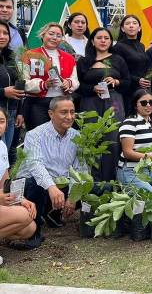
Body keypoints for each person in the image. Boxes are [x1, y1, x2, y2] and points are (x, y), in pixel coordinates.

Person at [19, 96, 86, 243]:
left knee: (89, 186)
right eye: (63, 112)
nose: (69, 117)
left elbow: (80, 169)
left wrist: (73, 197)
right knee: (35, 184)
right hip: (34, 184)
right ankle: (33, 233)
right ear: (51, 114)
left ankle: (53, 213)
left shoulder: (78, 137)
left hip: (59, 183)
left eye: (72, 112)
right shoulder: (34, 135)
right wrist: (51, 187)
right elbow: (35, 165)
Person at [76, 27, 129, 181]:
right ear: (92, 41)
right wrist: (92, 88)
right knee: (91, 140)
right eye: (99, 38)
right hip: (90, 104)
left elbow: (128, 83)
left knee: (112, 142)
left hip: (113, 103)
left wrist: (117, 81)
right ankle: (90, 182)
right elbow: (78, 86)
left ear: (111, 41)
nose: (103, 41)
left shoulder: (118, 59)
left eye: (106, 38)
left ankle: (111, 181)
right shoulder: (84, 61)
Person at [22, 23, 79, 130]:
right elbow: (23, 81)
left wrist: (69, 83)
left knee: (61, 134)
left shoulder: (69, 58)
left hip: (62, 102)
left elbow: (75, 79)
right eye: (51, 34)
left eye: (58, 35)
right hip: (38, 103)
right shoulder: (29, 55)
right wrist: (43, 84)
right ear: (43, 35)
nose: (54, 38)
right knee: (38, 135)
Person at [0, 107, 37, 249]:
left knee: (29, 228)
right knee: (24, 216)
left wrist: (20, 199)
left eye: (1, 121)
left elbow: (5, 183)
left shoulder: (2, 146)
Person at [117, 89, 152, 192]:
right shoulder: (129, 123)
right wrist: (150, 157)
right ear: (135, 105)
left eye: (151, 102)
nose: (148, 105)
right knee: (151, 196)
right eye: (143, 102)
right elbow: (127, 152)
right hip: (131, 171)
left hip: (151, 169)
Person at [113, 15, 150, 116]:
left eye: (134, 23)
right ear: (122, 28)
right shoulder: (118, 47)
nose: (131, 26)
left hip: (142, 89)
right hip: (127, 90)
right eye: (127, 23)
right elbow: (119, 71)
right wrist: (138, 80)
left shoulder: (141, 45)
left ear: (139, 28)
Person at [0, 20, 24, 153]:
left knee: (6, 154)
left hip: (11, 114)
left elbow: (18, 86)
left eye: (5, 33)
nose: (2, 36)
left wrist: (20, 112)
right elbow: (7, 90)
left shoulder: (10, 58)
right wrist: (3, 92)